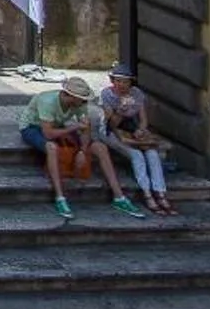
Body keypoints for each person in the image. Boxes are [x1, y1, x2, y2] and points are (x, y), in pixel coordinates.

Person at [21, 75, 144, 220]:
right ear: (72, 96)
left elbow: (86, 128)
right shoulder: (47, 101)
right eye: (82, 98)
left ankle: (119, 197)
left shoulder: (80, 104)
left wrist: (82, 150)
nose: (85, 101)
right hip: (33, 127)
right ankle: (60, 197)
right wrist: (75, 127)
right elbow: (48, 134)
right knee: (52, 147)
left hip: (58, 126)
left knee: (100, 147)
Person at [98, 67, 176, 216]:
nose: (121, 85)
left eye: (125, 82)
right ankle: (146, 192)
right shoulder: (107, 95)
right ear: (112, 81)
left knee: (152, 153)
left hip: (132, 130)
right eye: (118, 81)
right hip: (112, 131)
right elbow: (111, 124)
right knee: (136, 155)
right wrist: (121, 110)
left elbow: (143, 119)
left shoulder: (137, 94)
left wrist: (141, 130)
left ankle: (160, 192)